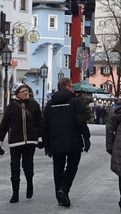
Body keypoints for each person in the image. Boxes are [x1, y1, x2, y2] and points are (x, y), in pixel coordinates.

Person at [41, 77, 91, 208]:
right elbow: (81, 121)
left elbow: (44, 125)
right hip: (73, 141)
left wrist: (46, 144)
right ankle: (64, 189)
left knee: (58, 167)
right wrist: (86, 137)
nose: (73, 89)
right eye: (72, 86)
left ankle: (59, 193)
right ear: (68, 87)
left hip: (55, 142)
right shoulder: (75, 102)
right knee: (72, 166)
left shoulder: (50, 104)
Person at [0, 83, 43, 204]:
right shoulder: (11, 107)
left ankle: (30, 184)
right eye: (23, 91)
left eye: (27, 91)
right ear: (17, 94)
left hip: (30, 141)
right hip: (15, 142)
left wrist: (41, 138)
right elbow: (4, 126)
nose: (26, 93)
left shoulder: (34, 105)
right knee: (15, 168)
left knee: (28, 166)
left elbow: (40, 123)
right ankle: (15, 193)